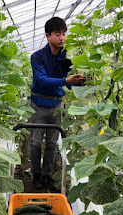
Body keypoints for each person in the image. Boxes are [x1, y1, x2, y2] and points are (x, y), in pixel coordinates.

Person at [29, 16, 84, 190]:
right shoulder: (37, 57)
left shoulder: (66, 57)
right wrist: (66, 80)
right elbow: (42, 80)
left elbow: (70, 82)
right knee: (35, 142)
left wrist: (83, 80)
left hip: (56, 105)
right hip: (38, 105)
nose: (62, 38)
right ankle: (35, 174)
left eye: (64, 34)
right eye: (58, 34)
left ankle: (46, 175)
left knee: (52, 143)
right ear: (48, 36)